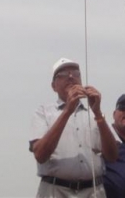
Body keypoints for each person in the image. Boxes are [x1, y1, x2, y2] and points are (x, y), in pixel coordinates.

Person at [30, 58, 119, 197]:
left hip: (93, 191)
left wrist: (98, 114)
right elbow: (40, 155)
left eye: (76, 74)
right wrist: (67, 111)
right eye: (63, 74)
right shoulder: (43, 112)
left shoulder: (95, 114)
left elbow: (113, 156)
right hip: (55, 190)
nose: (71, 77)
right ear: (53, 86)